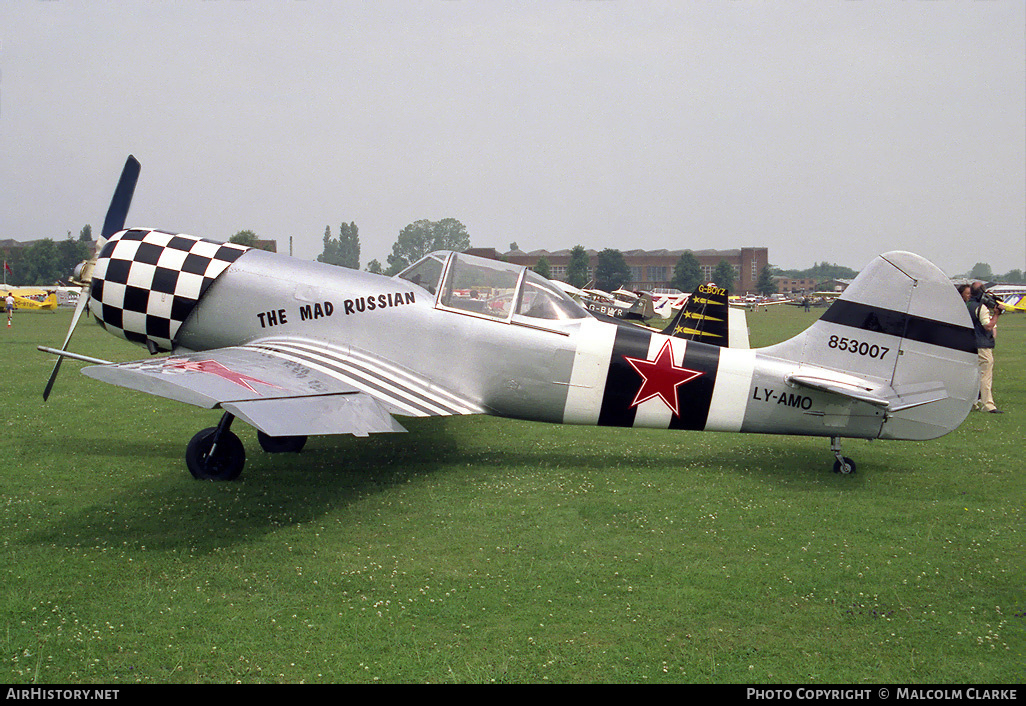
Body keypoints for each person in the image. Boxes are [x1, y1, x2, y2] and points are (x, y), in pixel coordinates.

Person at [963, 281, 1001, 413]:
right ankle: (988, 405)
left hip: (967, 344)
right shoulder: (981, 308)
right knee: (985, 375)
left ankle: (972, 403)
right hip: (982, 345)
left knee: (973, 375)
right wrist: (996, 314)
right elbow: (988, 326)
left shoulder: (966, 305)